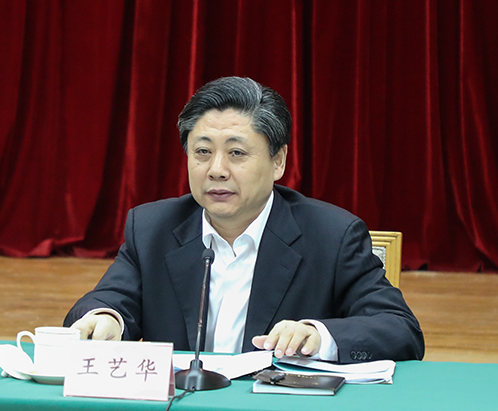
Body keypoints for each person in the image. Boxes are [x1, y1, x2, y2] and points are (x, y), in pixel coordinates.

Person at [64, 76, 424, 363]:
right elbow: (108, 300)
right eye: (202, 152)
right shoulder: (151, 228)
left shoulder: (332, 236)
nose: (217, 170)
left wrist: (318, 336)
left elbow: (399, 329)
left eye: (236, 153)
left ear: (278, 161)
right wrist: (106, 319)